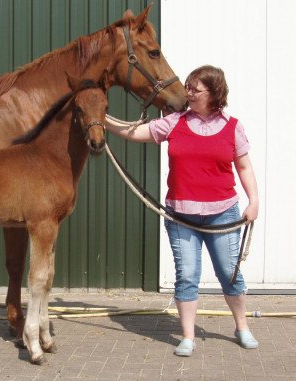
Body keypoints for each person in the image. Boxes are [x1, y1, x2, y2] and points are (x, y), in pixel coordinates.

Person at [106, 65, 259, 356]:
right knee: (187, 274)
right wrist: (103, 120)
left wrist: (254, 201)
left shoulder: (232, 126)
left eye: (194, 89)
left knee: (229, 273)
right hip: (181, 216)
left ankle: (242, 327)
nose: (187, 93)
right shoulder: (174, 122)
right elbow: (136, 132)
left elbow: (244, 167)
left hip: (223, 214)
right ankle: (187, 337)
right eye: (188, 87)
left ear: (214, 93)